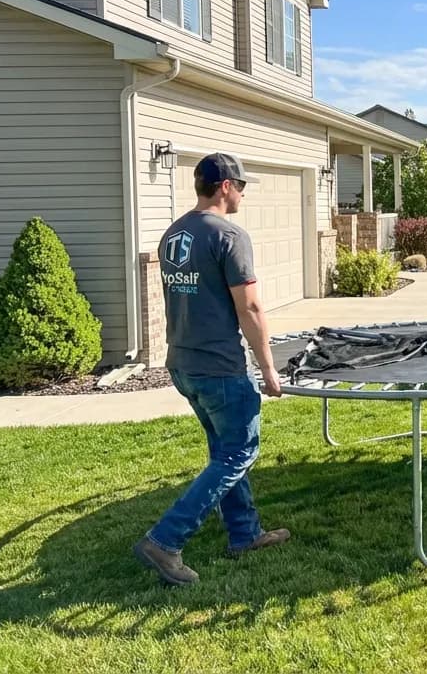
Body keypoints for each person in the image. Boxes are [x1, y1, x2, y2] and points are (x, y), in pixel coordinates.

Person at [134, 152, 288, 586]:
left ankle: (244, 534)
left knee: (225, 453)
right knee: (240, 451)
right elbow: (251, 307)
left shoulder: (173, 234)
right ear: (224, 186)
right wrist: (269, 369)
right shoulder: (229, 235)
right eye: (241, 185)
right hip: (220, 367)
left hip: (184, 364)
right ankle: (166, 540)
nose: (242, 193)